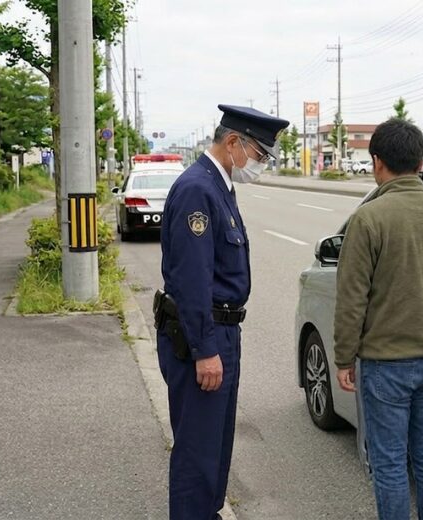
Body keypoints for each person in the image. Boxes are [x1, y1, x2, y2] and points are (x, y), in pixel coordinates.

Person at [156, 104, 288, 520]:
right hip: (205, 333)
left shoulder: (219, 185)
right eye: (260, 155)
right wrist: (205, 349)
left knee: (215, 444)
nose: (260, 165)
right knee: (198, 451)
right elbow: (192, 280)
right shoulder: (199, 189)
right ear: (233, 142)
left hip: (221, 331)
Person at [333, 119, 423, 520]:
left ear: (377, 162)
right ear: (421, 162)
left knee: (390, 462)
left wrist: (343, 358)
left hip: (386, 363)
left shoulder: (369, 219)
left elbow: (352, 298)